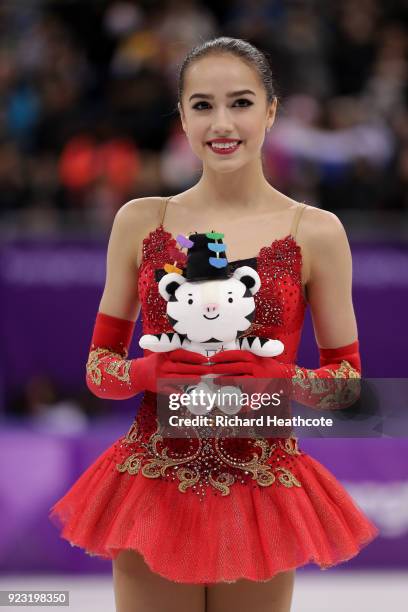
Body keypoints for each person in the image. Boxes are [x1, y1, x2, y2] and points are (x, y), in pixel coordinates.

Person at [49, 37, 379, 612]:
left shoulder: (317, 232)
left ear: (272, 110)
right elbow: (98, 371)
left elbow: (347, 381)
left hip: (260, 489)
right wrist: (143, 372)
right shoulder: (140, 220)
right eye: (202, 105)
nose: (221, 123)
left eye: (241, 103)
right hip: (153, 484)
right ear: (180, 115)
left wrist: (279, 377)